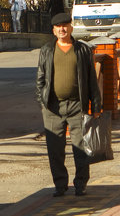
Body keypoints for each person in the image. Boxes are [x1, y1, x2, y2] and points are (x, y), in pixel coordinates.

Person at [35, 12, 102, 197]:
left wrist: (96, 106)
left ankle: (80, 184)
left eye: (65, 25)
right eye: (58, 27)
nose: (62, 29)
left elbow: (91, 81)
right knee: (55, 149)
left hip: (76, 105)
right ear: (54, 30)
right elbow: (40, 79)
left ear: (71, 28)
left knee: (81, 148)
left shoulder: (82, 50)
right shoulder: (47, 50)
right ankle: (60, 184)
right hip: (52, 108)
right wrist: (43, 102)